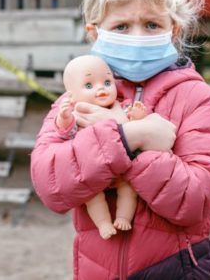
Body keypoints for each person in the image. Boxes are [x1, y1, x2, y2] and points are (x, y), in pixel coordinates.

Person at [31, 0, 210, 280]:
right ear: (94, 33)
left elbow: (199, 197)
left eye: (152, 25)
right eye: (122, 26)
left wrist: (130, 149)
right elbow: (51, 183)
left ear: (174, 30)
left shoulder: (194, 96)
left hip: (178, 270)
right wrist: (129, 135)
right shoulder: (78, 95)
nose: (137, 35)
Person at [55, 54, 146, 240]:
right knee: (92, 198)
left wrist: (137, 116)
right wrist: (64, 117)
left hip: (122, 170)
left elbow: (136, 129)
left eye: (107, 82)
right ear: (71, 96)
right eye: (89, 86)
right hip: (93, 172)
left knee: (129, 190)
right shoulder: (77, 114)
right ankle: (103, 223)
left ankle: (123, 217)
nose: (101, 89)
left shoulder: (122, 107)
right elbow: (66, 133)